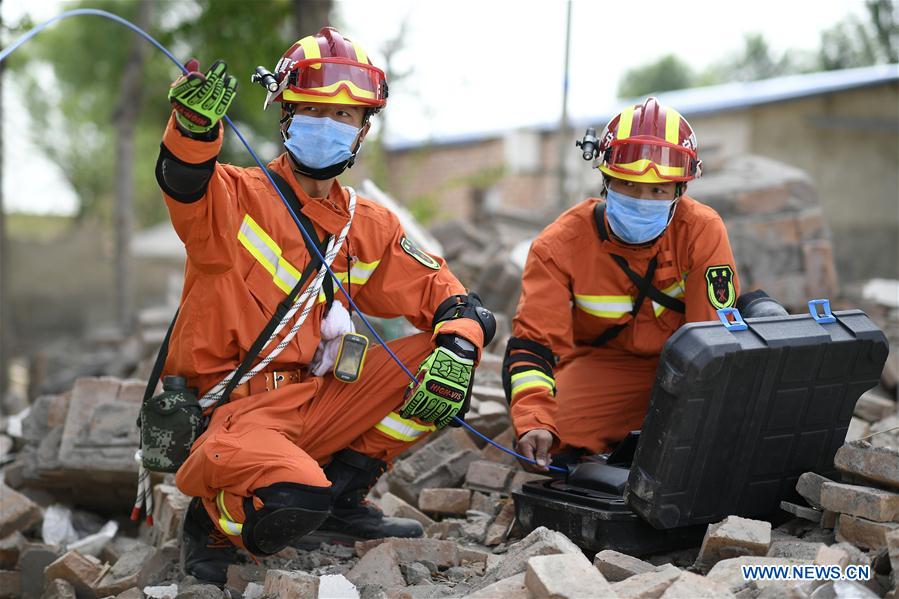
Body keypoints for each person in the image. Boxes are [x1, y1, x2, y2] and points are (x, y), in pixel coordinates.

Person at [156, 27, 494, 585]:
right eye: (313, 108)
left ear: (363, 129)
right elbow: (184, 181)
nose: (329, 125)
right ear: (284, 113)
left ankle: (340, 497)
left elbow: (447, 294)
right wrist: (194, 129)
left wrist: (459, 345)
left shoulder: (368, 224)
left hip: (314, 397)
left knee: (440, 372)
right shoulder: (232, 196)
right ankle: (212, 521)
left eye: (345, 115)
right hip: (233, 414)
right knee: (292, 502)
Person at [505, 97, 740, 471]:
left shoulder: (702, 231)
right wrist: (534, 420)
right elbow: (534, 345)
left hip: (688, 367)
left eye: (658, 191)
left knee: (729, 426)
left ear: (680, 191)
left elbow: (712, 343)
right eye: (629, 185)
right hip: (608, 369)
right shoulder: (559, 245)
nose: (642, 200)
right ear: (606, 179)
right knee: (554, 431)